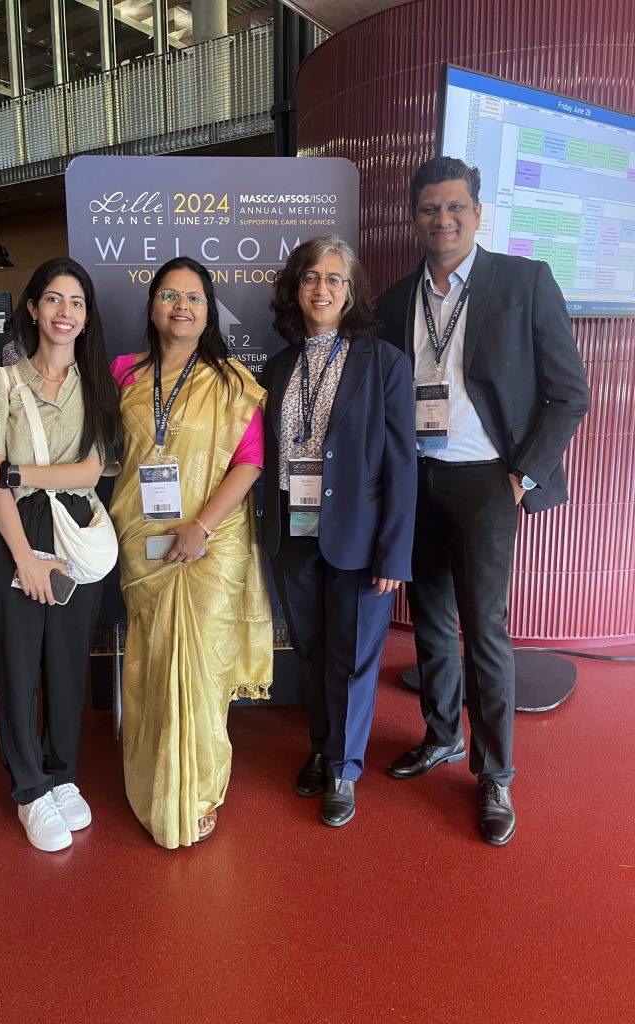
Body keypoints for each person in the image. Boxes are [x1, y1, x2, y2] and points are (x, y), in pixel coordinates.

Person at [375, 157, 590, 845]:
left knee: (485, 631)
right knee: (431, 622)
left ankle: (495, 774)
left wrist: (521, 476)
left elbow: (570, 394)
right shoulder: (393, 301)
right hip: (417, 479)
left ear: (477, 213)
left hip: (487, 480)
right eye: (429, 209)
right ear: (414, 218)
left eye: (455, 207)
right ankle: (441, 735)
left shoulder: (524, 282)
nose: (442, 220)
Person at [108, 256, 272, 850]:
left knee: (201, 671)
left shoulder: (232, 383)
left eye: (194, 297)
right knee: (151, 664)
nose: (182, 306)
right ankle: (153, 782)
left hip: (212, 542)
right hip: (143, 540)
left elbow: (249, 463)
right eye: (170, 295)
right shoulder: (123, 374)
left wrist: (200, 526)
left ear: (208, 313)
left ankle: (198, 793)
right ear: (152, 306)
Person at [0, 257, 124, 852]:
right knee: (16, 660)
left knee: (65, 660)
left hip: (74, 526)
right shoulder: (0, 385)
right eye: (54, 299)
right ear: (33, 308)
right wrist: (26, 561)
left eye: (77, 302)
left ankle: (61, 772)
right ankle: (29, 787)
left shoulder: (98, 386)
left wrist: (16, 470)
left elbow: (89, 471)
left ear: (87, 316)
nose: (65, 312)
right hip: (12, 529)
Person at [261, 235, 417, 828]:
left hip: (360, 535)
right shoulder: (279, 367)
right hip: (294, 531)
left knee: (351, 659)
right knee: (313, 652)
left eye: (333, 278)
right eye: (310, 277)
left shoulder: (385, 363)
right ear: (295, 289)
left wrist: (394, 553)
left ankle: (344, 769)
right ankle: (323, 748)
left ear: (350, 291)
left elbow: (402, 465)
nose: (321, 289)